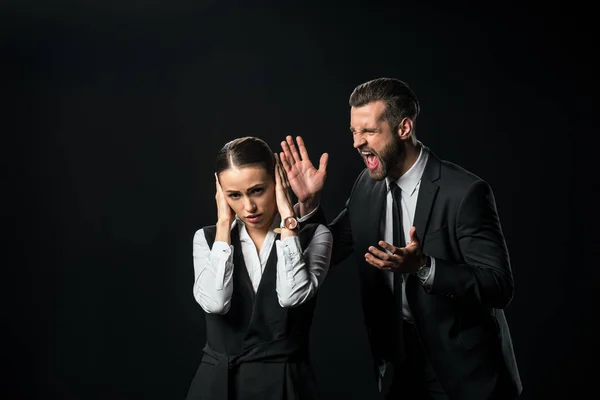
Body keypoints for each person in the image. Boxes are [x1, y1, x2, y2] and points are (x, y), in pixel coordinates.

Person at [279, 78, 522, 399]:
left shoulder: (464, 193)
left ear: (404, 128)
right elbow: (331, 250)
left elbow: (498, 287)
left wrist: (425, 266)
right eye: (354, 131)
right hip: (398, 366)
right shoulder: (365, 186)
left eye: (368, 131)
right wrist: (308, 205)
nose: (356, 142)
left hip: (465, 370)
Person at [186, 136, 333, 400]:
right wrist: (223, 223)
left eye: (257, 190)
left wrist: (288, 215)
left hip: (286, 384)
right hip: (218, 385)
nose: (248, 207)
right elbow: (216, 303)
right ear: (221, 194)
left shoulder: (315, 235)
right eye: (234, 195)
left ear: (278, 183)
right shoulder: (206, 239)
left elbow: (292, 296)